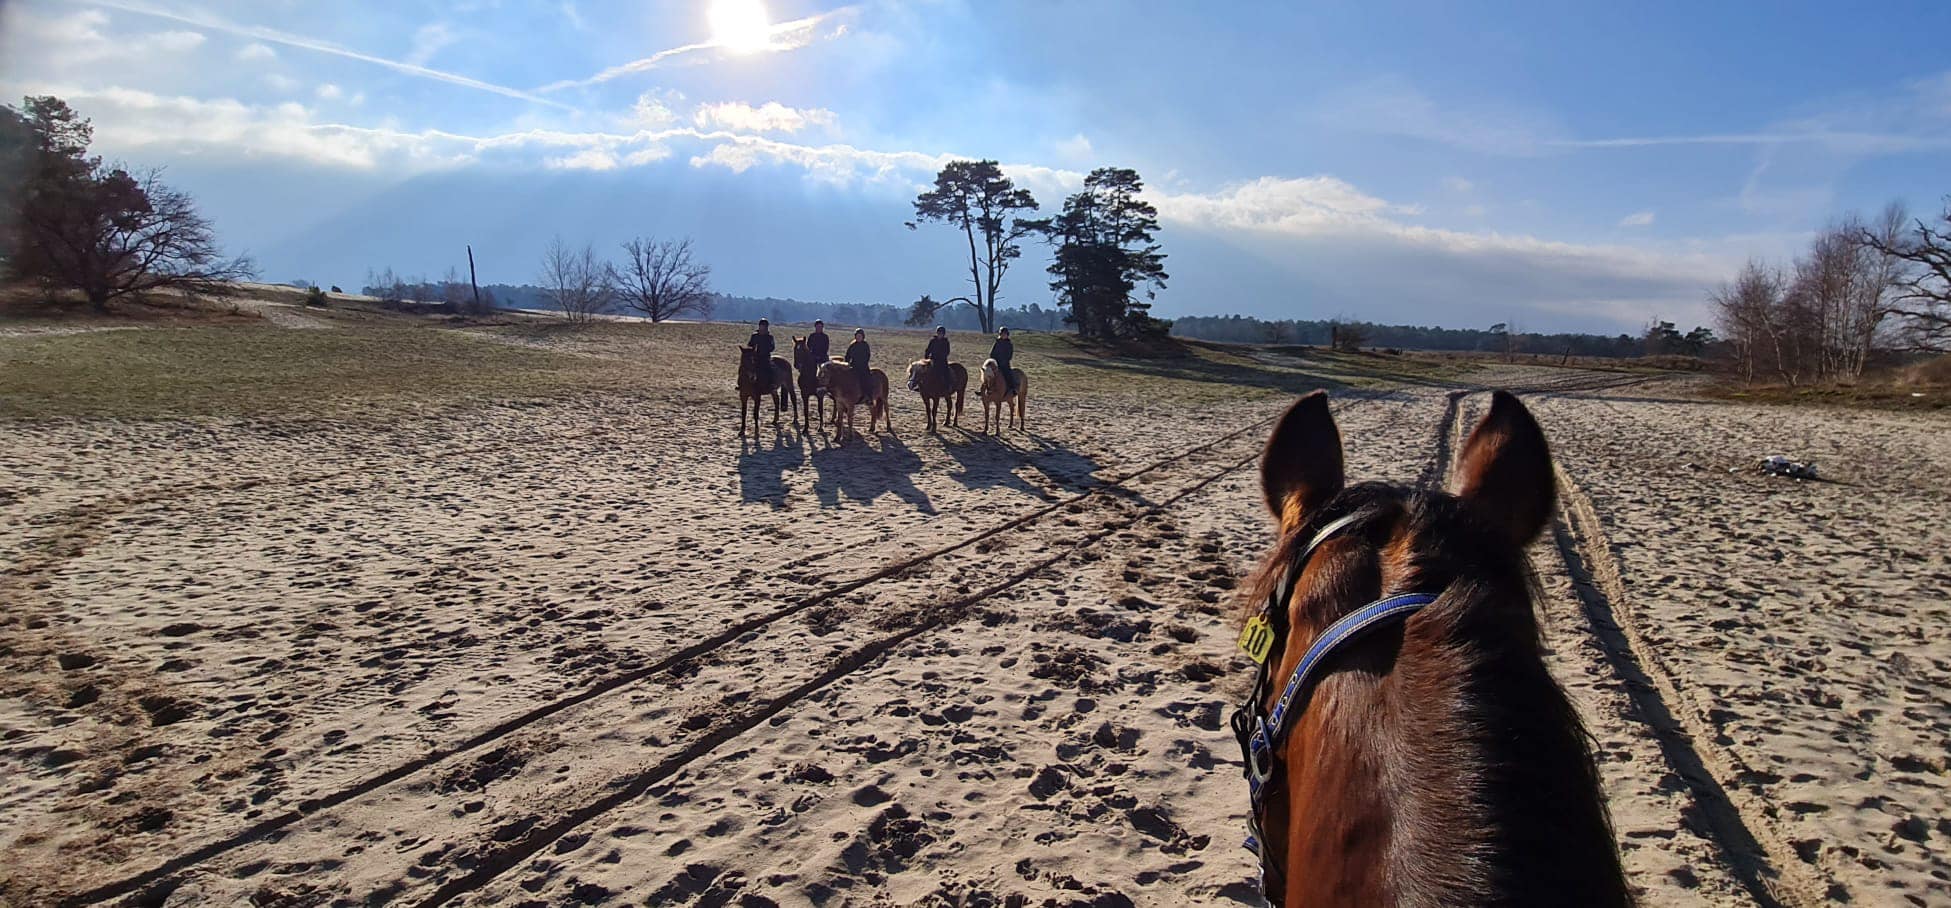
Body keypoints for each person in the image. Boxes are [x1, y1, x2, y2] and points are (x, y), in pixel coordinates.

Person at [919, 325, 951, 391]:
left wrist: (941, 357)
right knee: (923, 371)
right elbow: (928, 350)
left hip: (942, 361)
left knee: (946, 372)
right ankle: (920, 386)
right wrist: (926, 358)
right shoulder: (933, 341)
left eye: (941, 333)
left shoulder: (945, 342)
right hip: (932, 359)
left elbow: (947, 352)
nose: (940, 334)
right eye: (939, 333)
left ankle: (948, 385)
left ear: (943, 334)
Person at [989, 327, 1016, 395]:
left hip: (1004, 364)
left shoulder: (1009, 344)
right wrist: (994, 360)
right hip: (996, 363)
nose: (1003, 335)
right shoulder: (997, 343)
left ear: (1007, 335)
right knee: (987, 373)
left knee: (1008, 374)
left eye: (1004, 334)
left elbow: (1009, 355)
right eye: (1002, 334)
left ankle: (1012, 388)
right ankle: (984, 388)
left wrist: (1003, 362)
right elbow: (992, 353)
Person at [846, 328, 872, 400]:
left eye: (860, 336)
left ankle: (868, 396)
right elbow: (847, 355)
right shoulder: (852, 345)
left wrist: (862, 364)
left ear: (863, 337)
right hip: (853, 366)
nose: (858, 337)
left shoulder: (865, 345)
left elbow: (867, 356)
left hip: (863, 367)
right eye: (857, 336)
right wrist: (847, 363)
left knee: (867, 379)